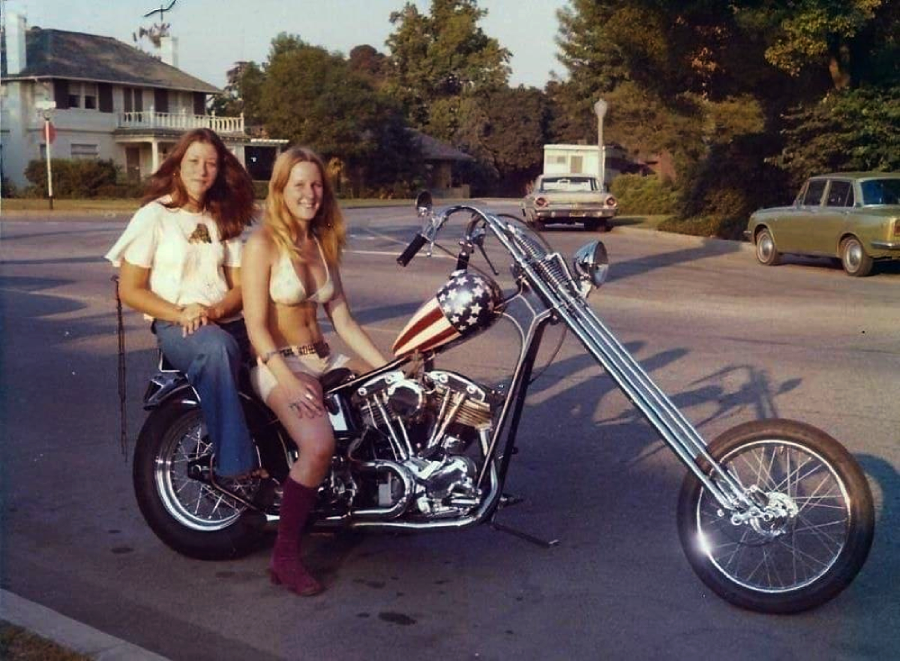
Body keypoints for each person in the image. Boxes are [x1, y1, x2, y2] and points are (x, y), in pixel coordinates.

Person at [242, 146, 387, 596]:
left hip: (321, 357)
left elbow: (343, 319)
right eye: (299, 185)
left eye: (317, 184)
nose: (310, 193)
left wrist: (388, 367)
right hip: (276, 362)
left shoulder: (322, 243)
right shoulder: (262, 244)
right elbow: (255, 329)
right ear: (280, 189)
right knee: (319, 444)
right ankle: (285, 557)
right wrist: (288, 381)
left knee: (395, 401)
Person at [105, 128, 258, 481]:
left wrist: (213, 311)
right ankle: (236, 468)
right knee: (217, 349)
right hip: (178, 325)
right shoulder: (154, 216)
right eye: (193, 161)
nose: (201, 170)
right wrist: (183, 312)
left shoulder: (223, 216)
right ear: (176, 165)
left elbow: (239, 287)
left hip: (223, 318)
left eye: (211, 164)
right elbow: (130, 290)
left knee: (282, 353)